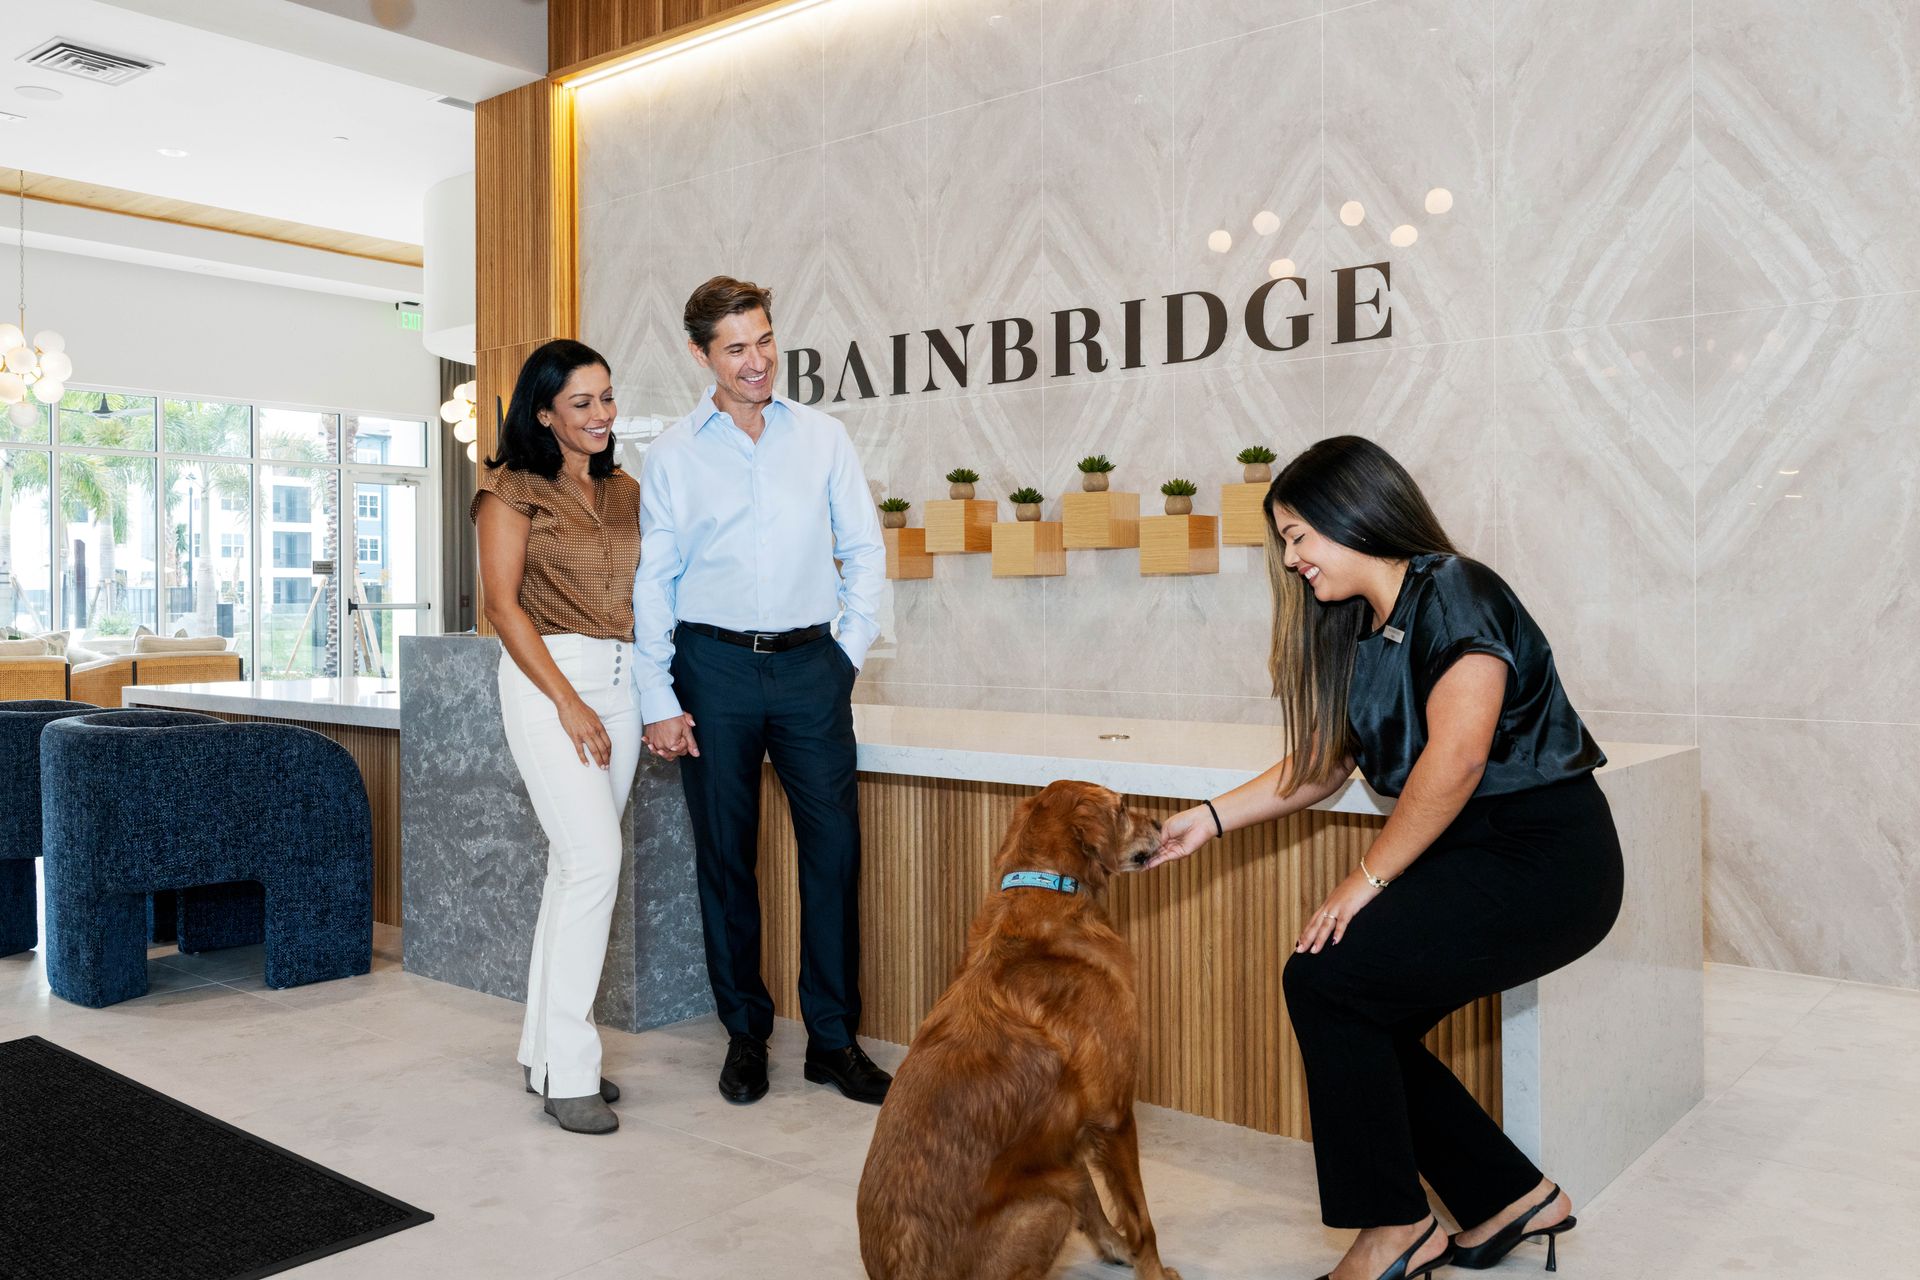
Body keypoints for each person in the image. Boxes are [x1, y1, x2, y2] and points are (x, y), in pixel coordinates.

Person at [1144, 436, 1622, 1280]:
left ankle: (1396, 1228)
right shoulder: (1360, 630)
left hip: (1546, 856)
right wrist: (1208, 821)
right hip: (1479, 854)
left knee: (1327, 980)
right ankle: (1510, 1196)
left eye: (1298, 536)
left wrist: (1364, 881)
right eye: (1284, 541)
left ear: (1353, 514)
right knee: (1357, 1006)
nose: (1291, 560)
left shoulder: (1457, 589)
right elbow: (1322, 765)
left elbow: (1458, 757)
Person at [632, 275, 893, 1106]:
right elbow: (654, 581)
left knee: (834, 855)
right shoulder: (672, 454)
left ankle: (833, 1041)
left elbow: (865, 550)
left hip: (812, 665)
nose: (757, 361)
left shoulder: (823, 438)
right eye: (736, 348)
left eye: (765, 340)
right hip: (711, 670)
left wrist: (846, 654)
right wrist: (657, 695)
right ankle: (746, 1034)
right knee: (726, 859)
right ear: (701, 355)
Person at [473, 339, 640, 1136]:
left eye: (606, 397)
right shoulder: (511, 489)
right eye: (581, 402)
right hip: (551, 682)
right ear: (543, 413)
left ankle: (544, 1052)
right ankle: (570, 1073)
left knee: (573, 871)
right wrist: (569, 701)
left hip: (624, 681)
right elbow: (501, 607)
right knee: (594, 861)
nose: (600, 414)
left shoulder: (626, 491)